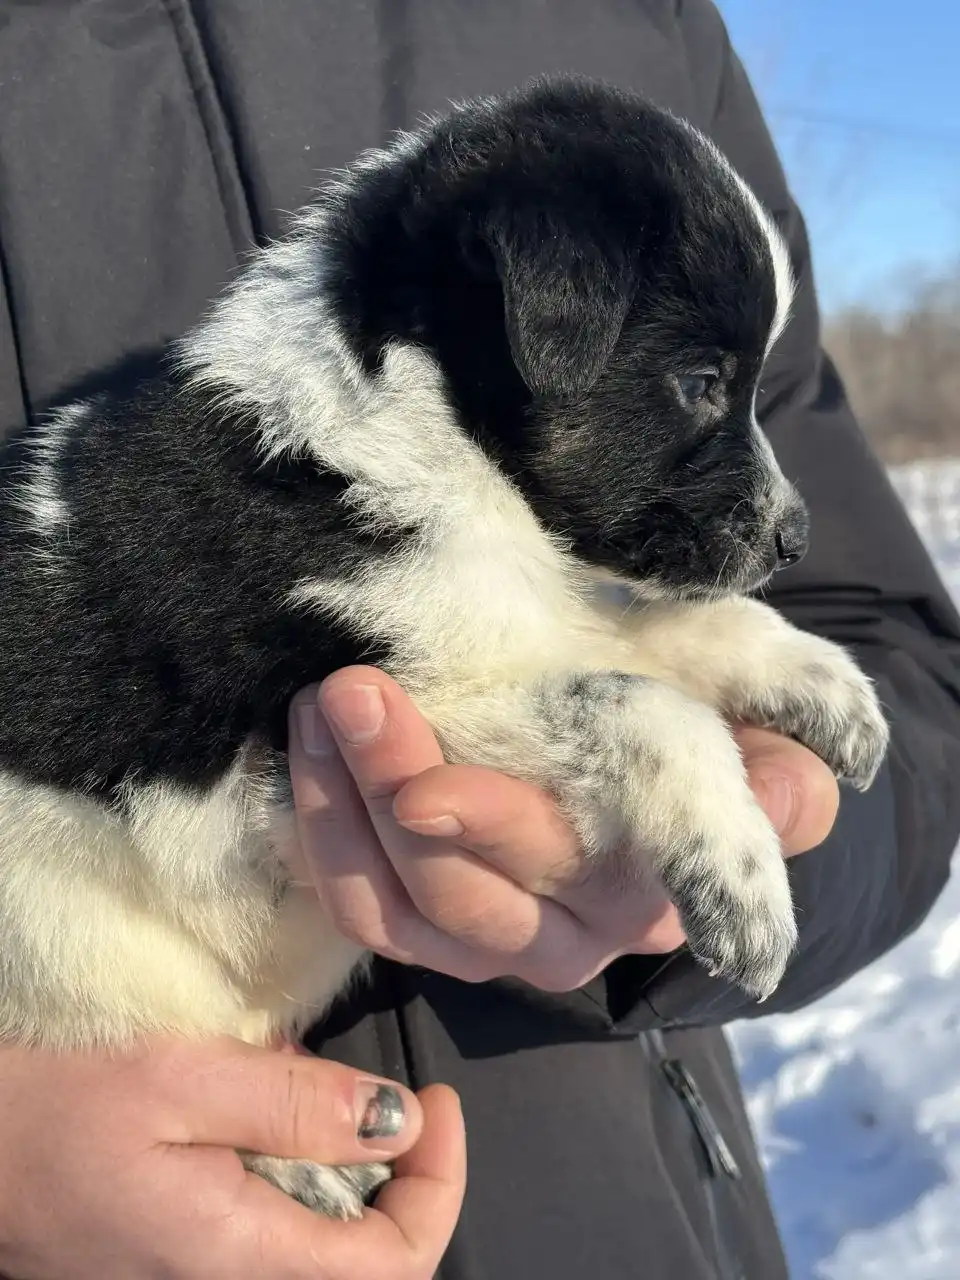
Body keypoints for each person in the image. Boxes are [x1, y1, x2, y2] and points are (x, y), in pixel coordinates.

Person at [0, 2, 958, 1277]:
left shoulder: (640, 22)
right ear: (531, 302)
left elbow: (872, 654)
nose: (773, 505)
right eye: (700, 388)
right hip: (75, 971)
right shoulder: (307, 478)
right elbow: (457, 684)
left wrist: (764, 789)